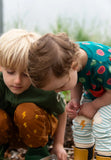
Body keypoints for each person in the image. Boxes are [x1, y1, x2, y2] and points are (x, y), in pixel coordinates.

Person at [28, 32, 111, 160]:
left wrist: (93, 106)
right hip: (97, 87)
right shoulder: (67, 57)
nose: (57, 91)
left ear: (74, 66)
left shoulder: (100, 63)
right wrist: (75, 99)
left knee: (101, 125)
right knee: (80, 121)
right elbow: (75, 79)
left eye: (60, 86)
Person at [0, 29, 67, 160]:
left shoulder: (44, 88)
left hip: (37, 132)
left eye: (26, 74)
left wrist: (58, 144)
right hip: (9, 133)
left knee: (26, 111)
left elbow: (62, 112)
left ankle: (38, 154)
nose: (17, 81)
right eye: (11, 72)